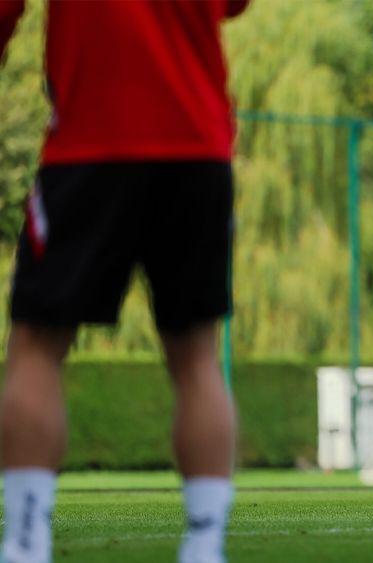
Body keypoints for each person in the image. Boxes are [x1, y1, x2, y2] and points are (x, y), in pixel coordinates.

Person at [0, 1, 248, 561]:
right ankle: (205, 548)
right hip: (196, 145)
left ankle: (24, 545)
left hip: (88, 144)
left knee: (37, 345)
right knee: (196, 355)